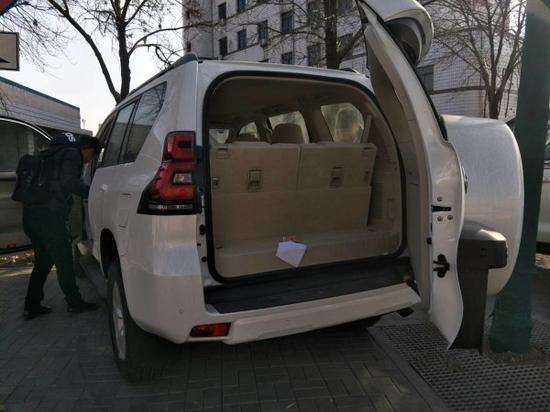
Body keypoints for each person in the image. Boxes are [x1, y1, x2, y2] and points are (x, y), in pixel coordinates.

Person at [22, 132, 101, 320]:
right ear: (88, 149)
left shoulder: (48, 154)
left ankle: (31, 305)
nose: (89, 161)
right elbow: (68, 181)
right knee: (64, 260)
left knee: (43, 261)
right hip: (50, 217)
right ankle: (74, 303)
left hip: (31, 215)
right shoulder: (72, 154)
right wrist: (94, 193)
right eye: (91, 156)